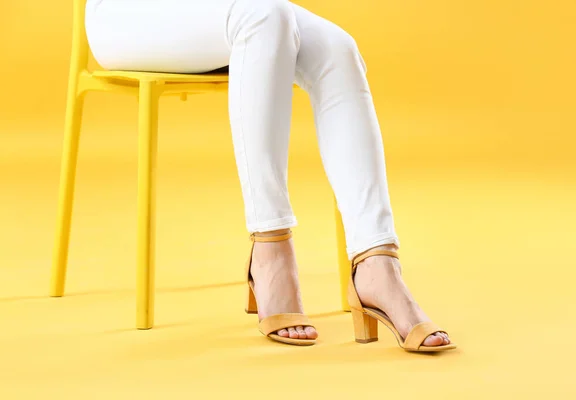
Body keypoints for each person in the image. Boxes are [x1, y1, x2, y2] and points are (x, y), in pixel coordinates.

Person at [85, 0, 455, 352]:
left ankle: (377, 264)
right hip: (126, 13)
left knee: (337, 50)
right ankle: (270, 246)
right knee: (264, 13)